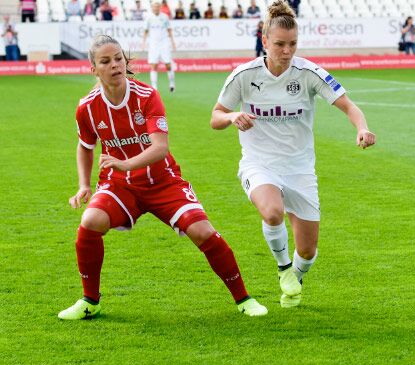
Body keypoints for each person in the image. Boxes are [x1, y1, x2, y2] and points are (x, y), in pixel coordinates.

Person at [58, 35, 267, 320]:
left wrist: (125, 163)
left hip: (163, 181)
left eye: (119, 58)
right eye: (106, 61)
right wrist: (84, 185)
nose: (115, 65)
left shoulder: (146, 96)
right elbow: (85, 146)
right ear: (94, 69)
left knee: (202, 231)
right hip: (120, 185)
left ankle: (244, 298)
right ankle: (89, 301)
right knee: (90, 222)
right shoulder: (87, 107)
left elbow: (160, 147)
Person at [210, 0, 376, 308]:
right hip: (259, 164)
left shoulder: (308, 72)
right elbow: (216, 116)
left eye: (293, 44)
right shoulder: (244, 75)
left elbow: (348, 106)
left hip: (300, 169)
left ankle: (294, 279)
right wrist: (233, 117)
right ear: (265, 41)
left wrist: (362, 129)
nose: (287, 51)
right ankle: (284, 267)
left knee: (309, 251)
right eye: (280, 44)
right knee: (272, 212)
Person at [142, 1, 177, 92]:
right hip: (153, 44)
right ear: (152, 7)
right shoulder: (148, 18)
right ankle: (154, 87)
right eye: (154, 6)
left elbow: (169, 30)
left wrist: (173, 42)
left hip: (164, 43)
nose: (156, 8)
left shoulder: (165, 17)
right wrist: (143, 43)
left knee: (168, 64)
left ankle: (172, 83)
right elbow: (146, 31)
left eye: (157, 6)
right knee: (153, 65)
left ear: (160, 7)